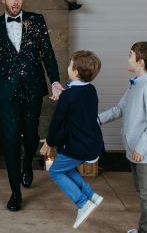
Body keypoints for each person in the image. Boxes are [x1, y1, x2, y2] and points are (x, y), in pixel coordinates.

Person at [0, 0, 64, 211]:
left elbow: (47, 53)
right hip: (6, 91)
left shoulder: (37, 21)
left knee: (30, 136)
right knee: (10, 139)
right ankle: (15, 192)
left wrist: (56, 81)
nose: (15, 1)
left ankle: (28, 164)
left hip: (32, 88)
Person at [98, 42, 147, 233]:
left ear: (140, 62)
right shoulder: (135, 84)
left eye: (130, 55)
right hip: (134, 150)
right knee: (143, 194)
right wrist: (96, 120)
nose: (127, 58)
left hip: (144, 153)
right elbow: (120, 109)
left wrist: (141, 149)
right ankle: (145, 230)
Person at [40, 50, 105, 229]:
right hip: (92, 143)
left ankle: (82, 203)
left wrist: (49, 142)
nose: (67, 67)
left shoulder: (68, 96)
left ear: (76, 71)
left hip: (77, 145)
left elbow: (57, 123)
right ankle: (91, 195)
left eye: (70, 65)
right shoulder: (90, 89)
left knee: (55, 171)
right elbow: (78, 108)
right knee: (66, 169)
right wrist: (64, 95)